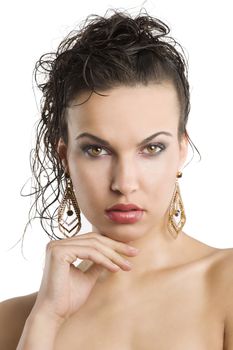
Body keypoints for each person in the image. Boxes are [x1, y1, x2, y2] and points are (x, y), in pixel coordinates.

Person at [0, 7, 233, 350]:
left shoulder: (225, 284)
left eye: (151, 148)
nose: (124, 183)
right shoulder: (16, 321)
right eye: (97, 150)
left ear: (181, 150)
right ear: (65, 157)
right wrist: (46, 320)